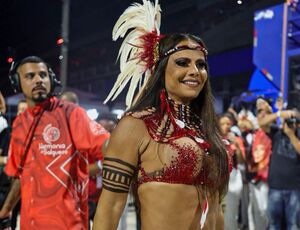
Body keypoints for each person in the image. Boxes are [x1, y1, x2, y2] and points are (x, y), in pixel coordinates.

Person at [93, 1, 231, 229]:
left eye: (201, 65)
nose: (195, 71)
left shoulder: (205, 129)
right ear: (161, 68)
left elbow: (216, 208)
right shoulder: (136, 125)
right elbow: (110, 208)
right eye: (182, 63)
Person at [0, 56, 110, 230]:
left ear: (51, 79)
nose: (38, 80)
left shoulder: (71, 113)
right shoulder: (19, 123)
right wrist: (5, 211)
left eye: (43, 75)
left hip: (70, 225)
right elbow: (19, 175)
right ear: (17, 83)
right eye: (30, 76)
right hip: (31, 225)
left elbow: (109, 148)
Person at [256, 97, 300, 230]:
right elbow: (261, 122)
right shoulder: (276, 133)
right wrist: (280, 114)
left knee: (293, 224)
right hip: (275, 186)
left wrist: (291, 135)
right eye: (288, 121)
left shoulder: (297, 135)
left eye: (294, 121)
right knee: (274, 224)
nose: (290, 123)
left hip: (294, 187)